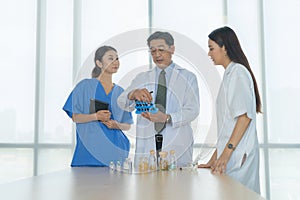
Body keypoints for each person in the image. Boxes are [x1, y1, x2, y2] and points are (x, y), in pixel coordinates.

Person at [117, 31, 200, 167]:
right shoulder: (142, 78)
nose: (157, 55)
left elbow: (193, 110)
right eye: (153, 51)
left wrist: (166, 118)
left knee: (177, 186)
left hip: (176, 144)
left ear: (172, 49)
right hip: (147, 145)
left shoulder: (188, 77)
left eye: (161, 49)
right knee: (147, 186)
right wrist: (133, 93)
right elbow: (121, 102)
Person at [198, 26, 262, 194]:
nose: (209, 53)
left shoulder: (238, 73)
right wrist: (214, 159)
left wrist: (225, 156)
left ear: (224, 48)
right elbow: (227, 127)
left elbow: (244, 118)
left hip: (239, 156)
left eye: (211, 48)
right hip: (232, 156)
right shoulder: (230, 74)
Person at [63, 45, 133, 167]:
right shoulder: (84, 86)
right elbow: (75, 117)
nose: (116, 62)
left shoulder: (121, 92)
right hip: (88, 155)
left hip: (116, 153)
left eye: (117, 58)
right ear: (99, 63)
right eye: (110, 58)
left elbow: (127, 125)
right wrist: (96, 116)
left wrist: (117, 125)